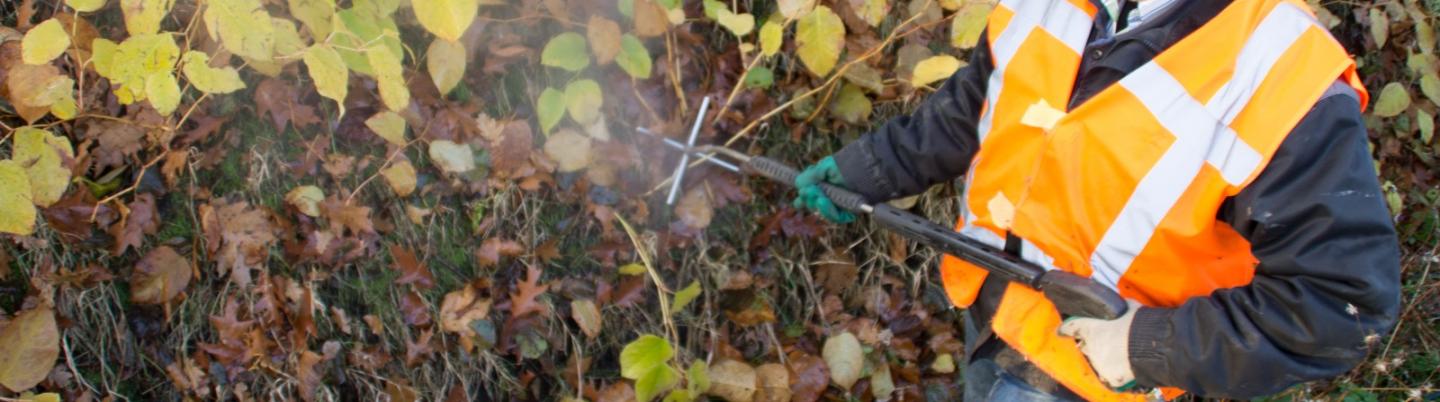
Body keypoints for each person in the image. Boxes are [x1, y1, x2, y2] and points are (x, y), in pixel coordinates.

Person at [790, 0, 1402, 400]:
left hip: (1090, 379)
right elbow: (976, 105)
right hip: (990, 312)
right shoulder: (1056, 5)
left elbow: (1340, 305)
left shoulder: (1278, 65)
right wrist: (865, 170)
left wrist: (1147, 345)